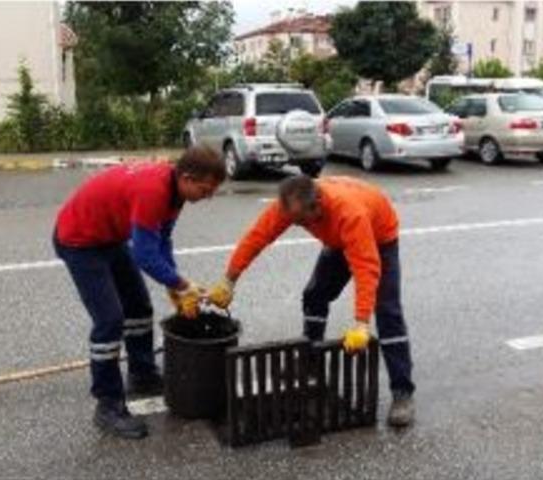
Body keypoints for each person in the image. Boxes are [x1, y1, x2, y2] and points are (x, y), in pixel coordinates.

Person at [207, 175, 416, 427]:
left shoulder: (349, 214)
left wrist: (361, 322)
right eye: (292, 221)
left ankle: (402, 392)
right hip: (338, 238)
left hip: (380, 237)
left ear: (318, 204)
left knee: (387, 311)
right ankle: (311, 362)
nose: (295, 225)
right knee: (314, 294)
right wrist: (229, 280)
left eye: (300, 221)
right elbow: (257, 237)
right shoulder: (291, 204)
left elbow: (365, 268)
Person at [53, 146, 225, 439]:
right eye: (205, 190)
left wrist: (174, 283)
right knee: (109, 321)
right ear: (186, 177)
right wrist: (183, 285)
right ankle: (107, 405)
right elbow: (145, 255)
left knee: (139, 307)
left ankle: (142, 374)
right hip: (79, 241)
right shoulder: (153, 191)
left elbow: (162, 240)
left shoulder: (175, 192)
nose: (208, 197)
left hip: (110, 237)